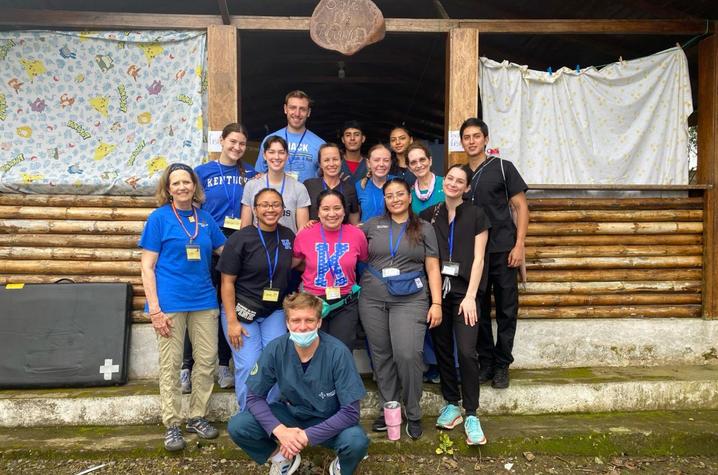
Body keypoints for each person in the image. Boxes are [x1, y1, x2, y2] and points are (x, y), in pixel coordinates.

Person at [227, 292, 369, 475]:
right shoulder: (276, 349)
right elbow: (254, 397)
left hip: (328, 419)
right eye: (296, 320)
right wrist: (280, 432)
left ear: (319, 323)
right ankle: (281, 457)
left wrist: (306, 436)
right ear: (287, 323)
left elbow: (351, 412)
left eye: (309, 320)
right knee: (239, 425)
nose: (302, 327)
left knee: (356, 441)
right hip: (291, 415)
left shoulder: (337, 353)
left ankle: (342, 466)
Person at [139, 163, 226, 451]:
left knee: (207, 360)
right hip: (170, 303)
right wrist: (154, 309)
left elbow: (225, 253)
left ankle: (197, 416)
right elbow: (147, 267)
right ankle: (173, 424)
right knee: (171, 364)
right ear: (168, 188)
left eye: (186, 182)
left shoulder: (206, 219)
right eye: (175, 183)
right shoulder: (159, 219)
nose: (181, 187)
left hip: (203, 300)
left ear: (194, 185)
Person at [359, 178, 443, 440]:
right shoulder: (371, 226)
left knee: (407, 354)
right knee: (381, 355)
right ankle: (391, 410)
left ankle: (414, 411)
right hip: (373, 298)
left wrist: (437, 303)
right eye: (389, 195)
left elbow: (432, 267)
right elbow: (345, 241)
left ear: (409, 197)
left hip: (411, 298)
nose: (395, 199)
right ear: (384, 199)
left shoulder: (425, 228)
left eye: (400, 194)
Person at [180, 123, 257, 393]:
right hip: (209, 242)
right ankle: (186, 367)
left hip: (239, 243)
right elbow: (192, 211)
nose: (236, 148)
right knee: (200, 303)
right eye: (232, 142)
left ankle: (224, 365)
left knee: (228, 304)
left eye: (241, 144)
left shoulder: (251, 174)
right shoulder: (201, 172)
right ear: (221, 141)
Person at [420, 164, 491, 445]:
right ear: (443, 181)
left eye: (460, 181)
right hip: (439, 293)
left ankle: (471, 412)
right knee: (442, 349)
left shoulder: (477, 214)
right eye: (449, 178)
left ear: (467, 187)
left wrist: (472, 296)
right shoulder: (429, 214)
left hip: (465, 293)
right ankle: (451, 403)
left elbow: (479, 259)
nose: (453, 183)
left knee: (465, 350)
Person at [460, 117, 529, 389]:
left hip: (503, 249)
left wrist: (519, 244)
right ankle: (486, 362)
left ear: (486, 139)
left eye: (477, 136)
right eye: (467, 137)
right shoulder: (462, 174)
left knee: (506, 310)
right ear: (462, 141)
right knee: (477, 308)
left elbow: (521, 207)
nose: (472, 141)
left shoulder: (503, 168)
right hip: (474, 255)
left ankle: (502, 365)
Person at [217, 188, 295, 410]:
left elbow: (295, 262)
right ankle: (248, 419)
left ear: (282, 209)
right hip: (241, 313)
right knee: (250, 365)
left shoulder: (288, 236)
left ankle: (270, 417)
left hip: (274, 312)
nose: (270, 209)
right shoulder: (241, 239)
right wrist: (231, 321)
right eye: (264, 205)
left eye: (275, 204)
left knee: (276, 363)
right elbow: (227, 283)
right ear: (255, 209)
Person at [293, 189, 368, 350]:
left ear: (344, 210)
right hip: (312, 302)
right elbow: (295, 262)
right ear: (318, 212)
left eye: (337, 208)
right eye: (326, 209)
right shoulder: (305, 234)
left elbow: (363, 259)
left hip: (345, 303)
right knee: (314, 351)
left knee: (342, 351)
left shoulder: (357, 235)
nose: (332, 214)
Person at [241, 136, 311, 234]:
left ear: (287, 156)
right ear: (264, 155)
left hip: (288, 246)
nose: (276, 157)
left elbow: (302, 231)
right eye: (271, 152)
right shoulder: (251, 185)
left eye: (281, 152)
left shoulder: (299, 188)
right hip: (257, 246)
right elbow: (245, 227)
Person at [254, 90, 325, 183]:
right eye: (293, 108)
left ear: (308, 112)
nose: (297, 113)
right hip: (275, 196)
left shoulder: (320, 145)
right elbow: (259, 175)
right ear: (285, 109)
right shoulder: (270, 140)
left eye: (302, 109)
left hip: (307, 197)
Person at [304, 143, 360, 225]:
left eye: (335, 159)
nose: (331, 164)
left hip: (342, 237)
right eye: (326, 160)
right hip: (315, 236)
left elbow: (354, 224)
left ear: (341, 161)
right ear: (320, 164)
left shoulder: (350, 189)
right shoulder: (309, 185)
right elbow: (302, 222)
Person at [355, 144, 393, 223]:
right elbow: (355, 217)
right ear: (368, 163)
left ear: (390, 163)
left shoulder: (398, 183)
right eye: (376, 160)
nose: (381, 164)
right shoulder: (360, 186)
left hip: (393, 233)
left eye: (386, 160)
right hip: (367, 234)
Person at [407, 142, 444, 214]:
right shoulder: (409, 193)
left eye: (422, 160)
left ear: (430, 161)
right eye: (413, 162)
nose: (419, 165)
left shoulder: (446, 184)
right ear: (409, 168)